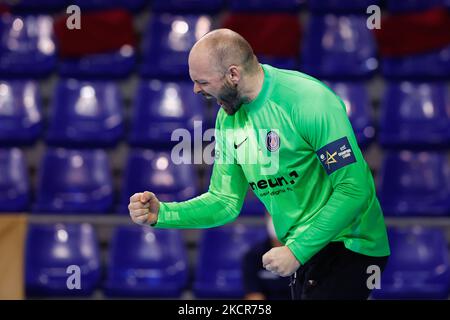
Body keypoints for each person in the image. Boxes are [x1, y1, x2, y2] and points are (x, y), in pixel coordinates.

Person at [128, 28, 390, 300]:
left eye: (202, 82)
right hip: (303, 248)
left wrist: (296, 251)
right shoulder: (228, 119)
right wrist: (164, 214)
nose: (196, 90)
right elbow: (225, 201)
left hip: (349, 242)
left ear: (233, 75)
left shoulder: (307, 100)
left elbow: (354, 189)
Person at [242, 214, 291, 300]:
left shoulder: (306, 254)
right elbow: (254, 295)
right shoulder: (254, 255)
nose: (276, 220)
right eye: (271, 213)